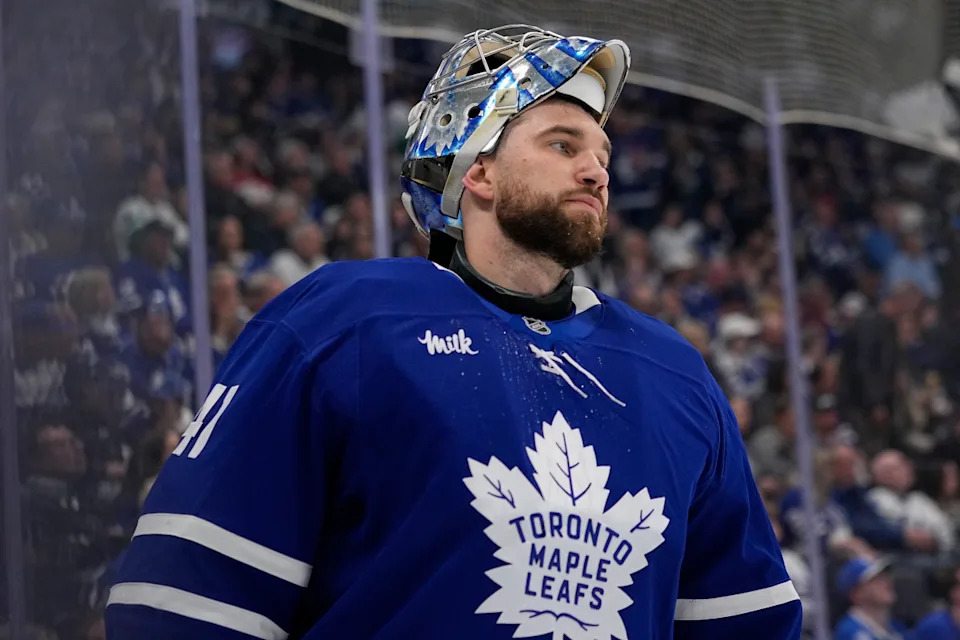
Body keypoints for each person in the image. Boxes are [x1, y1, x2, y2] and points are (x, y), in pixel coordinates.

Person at [105, 25, 801, 639]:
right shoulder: (344, 321)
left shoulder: (674, 372)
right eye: (562, 144)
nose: (595, 171)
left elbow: (746, 624)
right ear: (480, 172)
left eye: (603, 156)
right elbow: (185, 600)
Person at [833, 557, 909, 640]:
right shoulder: (851, 632)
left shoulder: (897, 627)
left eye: (885, 576)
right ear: (856, 593)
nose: (886, 582)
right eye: (876, 580)